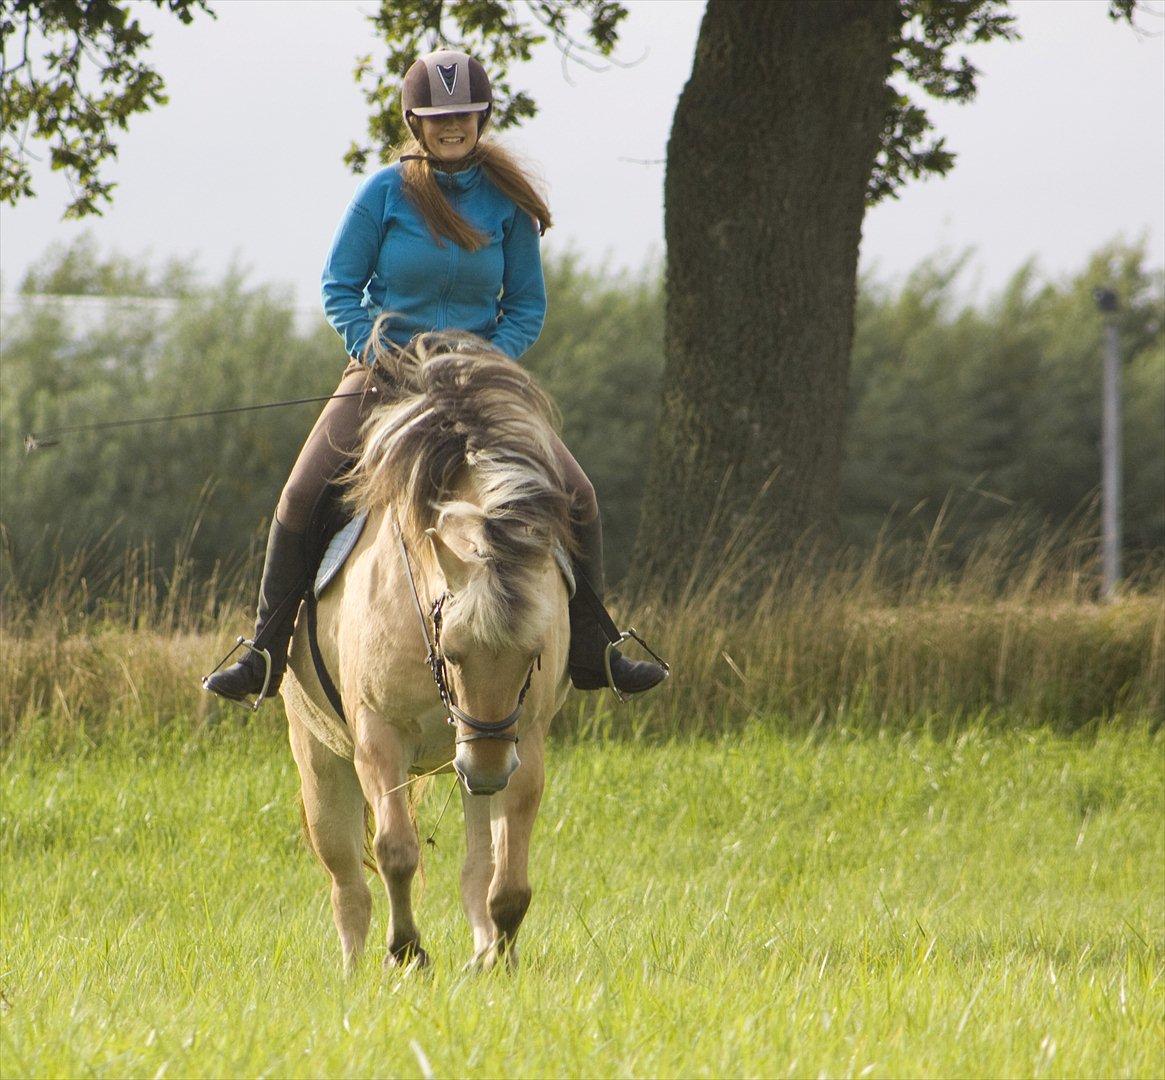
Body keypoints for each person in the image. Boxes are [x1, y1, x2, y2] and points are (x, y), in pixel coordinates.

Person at [204, 49, 667, 704]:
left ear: (481, 117)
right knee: (300, 495)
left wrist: (485, 358)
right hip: (386, 370)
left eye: (463, 115)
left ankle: (594, 646)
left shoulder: (507, 204)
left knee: (579, 494)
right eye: (438, 117)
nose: (452, 126)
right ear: (416, 122)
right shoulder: (383, 193)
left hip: (478, 376)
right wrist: (379, 348)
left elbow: (525, 306)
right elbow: (340, 286)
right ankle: (264, 651)